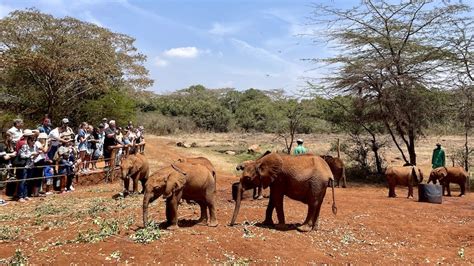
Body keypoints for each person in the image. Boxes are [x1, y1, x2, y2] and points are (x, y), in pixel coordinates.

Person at [18, 134, 38, 202]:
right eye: (32, 140)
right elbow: (21, 155)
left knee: (27, 181)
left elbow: (34, 157)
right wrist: (31, 154)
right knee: (22, 181)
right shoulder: (24, 147)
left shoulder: (35, 147)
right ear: (28, 140)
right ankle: (20, 197)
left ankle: (26, 195)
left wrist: (36, 155)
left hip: (31, 166)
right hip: (24, 166)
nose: (34, 142)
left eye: (35, 140)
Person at [0, 133, 17, 206]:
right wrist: (12, 155)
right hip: (2, 166)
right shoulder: (1, 146)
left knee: (3, 183)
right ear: (7, 137)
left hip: (6, 166)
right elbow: (5, 157)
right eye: (11, 137)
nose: (12, 138)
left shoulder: (9, 146)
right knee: (1, 183)